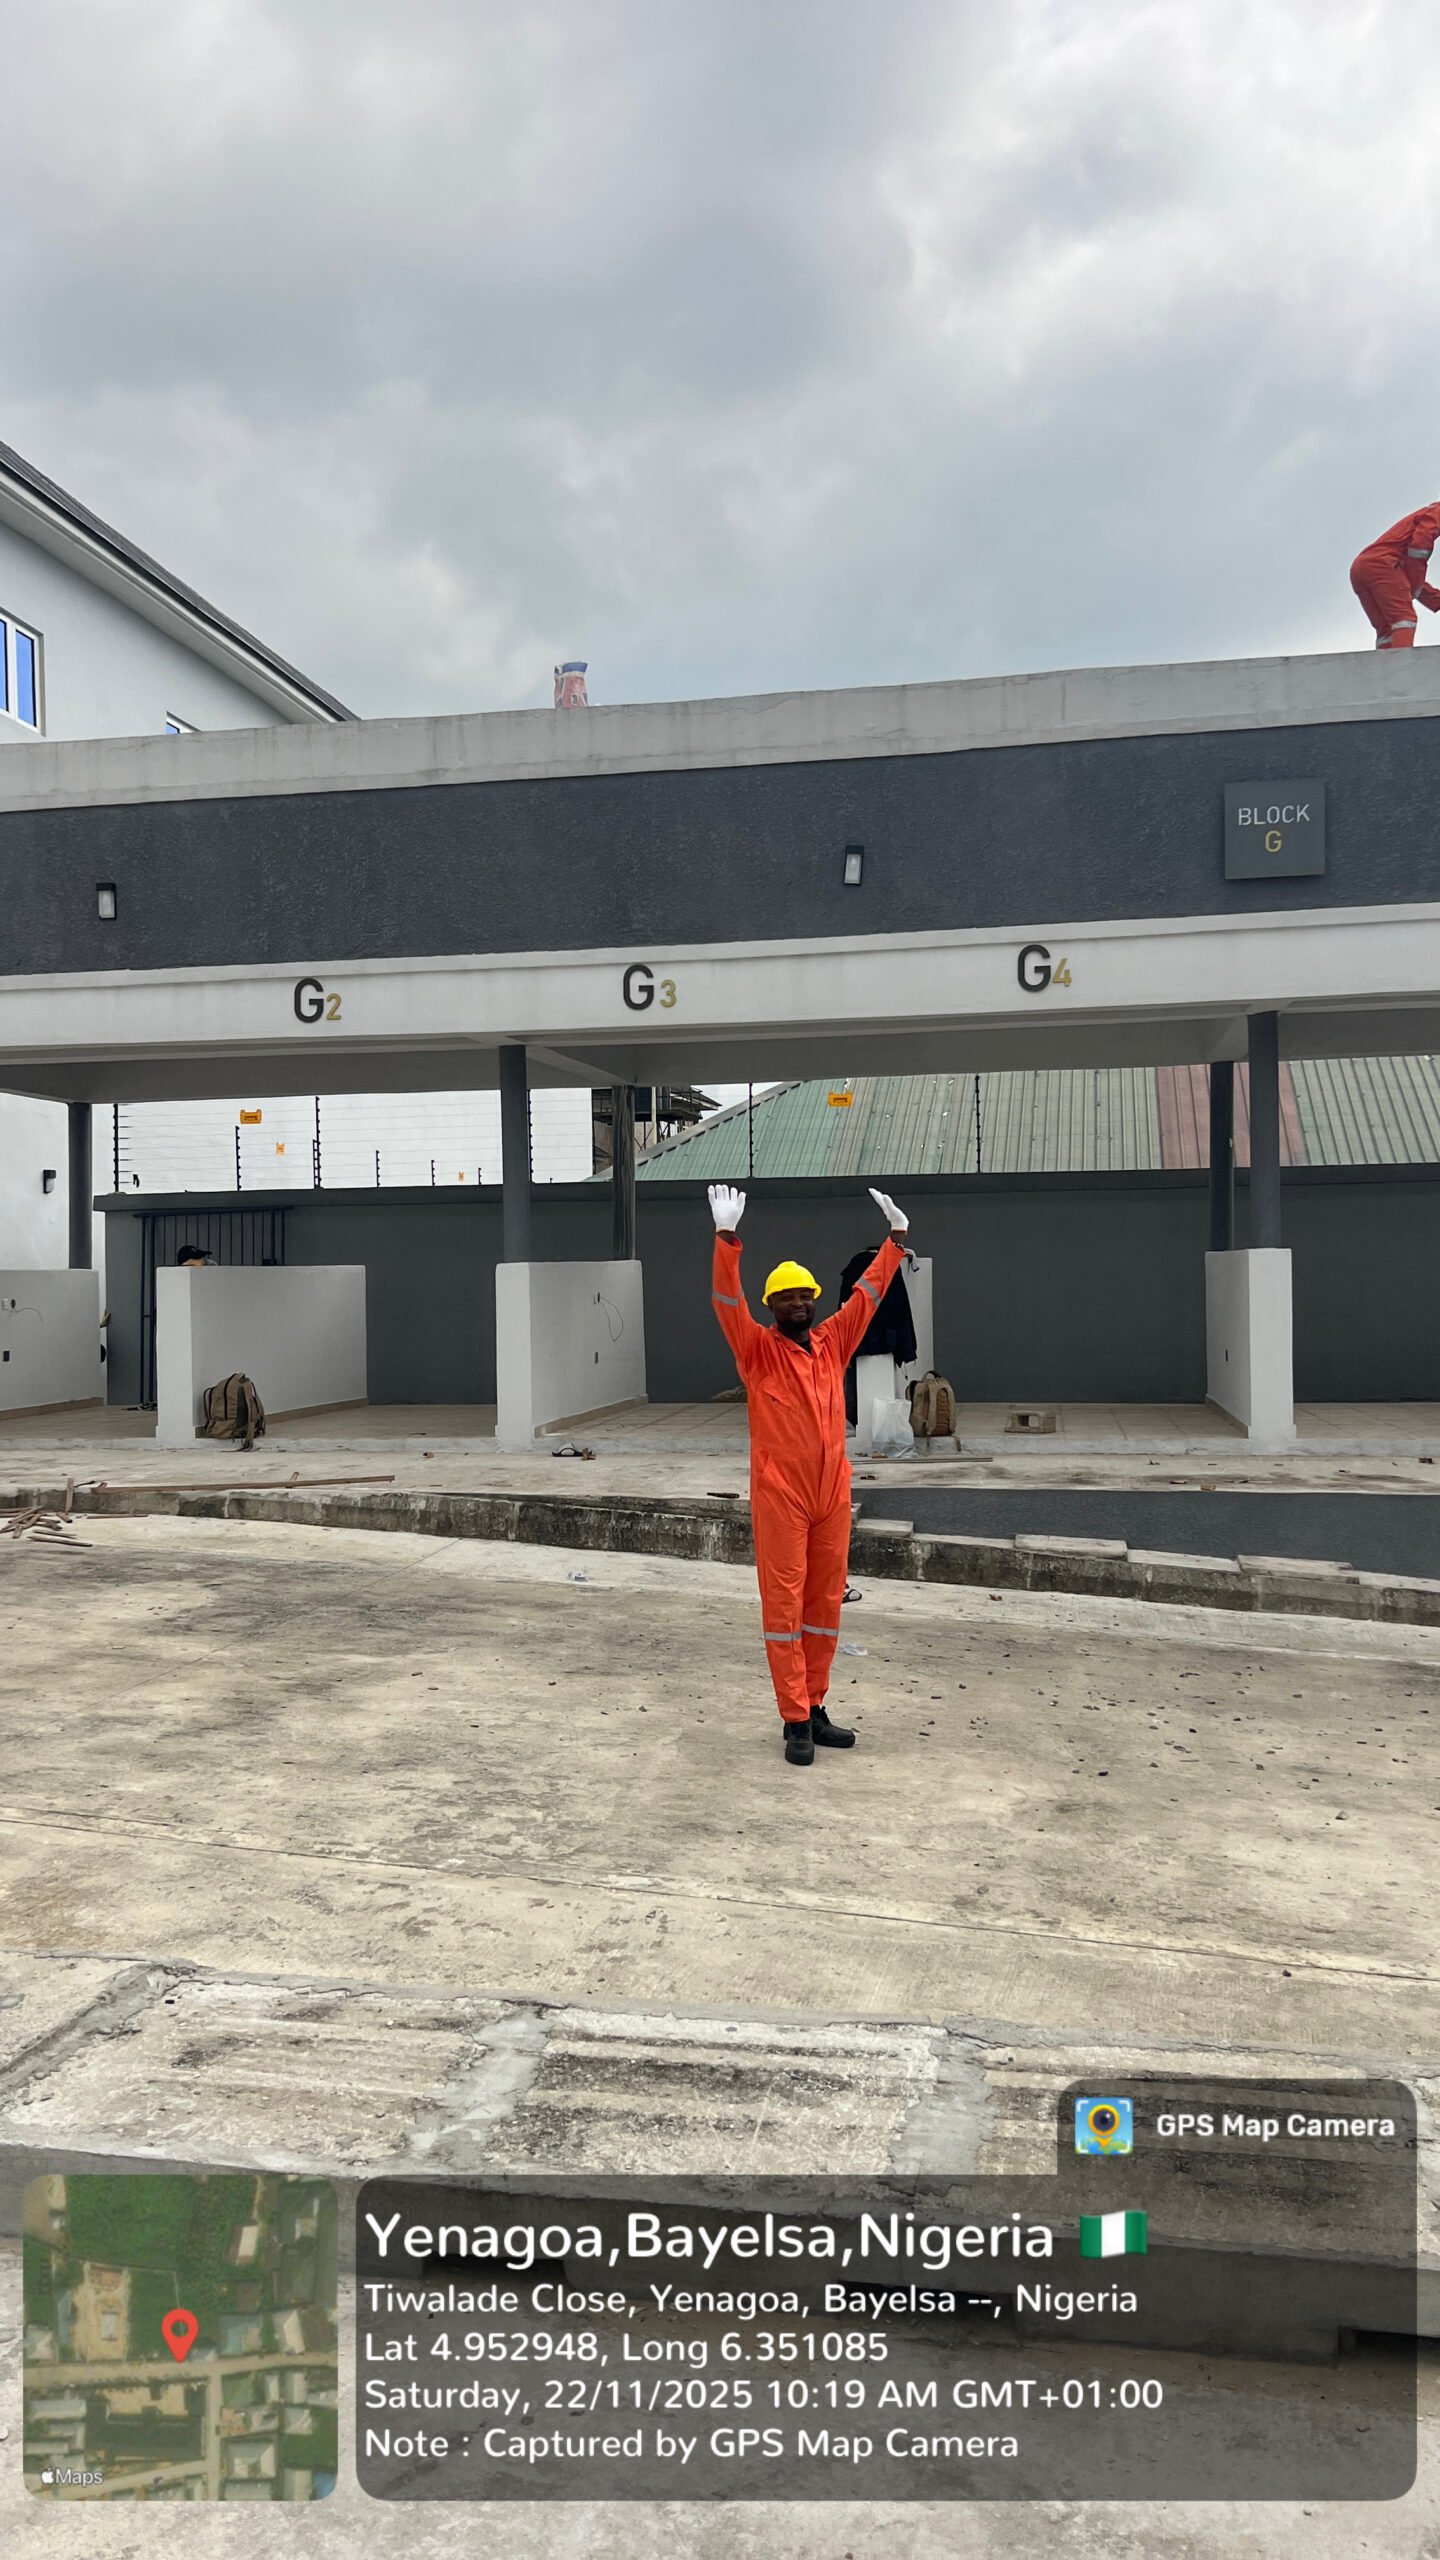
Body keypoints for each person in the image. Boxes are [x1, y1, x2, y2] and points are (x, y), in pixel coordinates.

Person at [709, 1181, 910, 1766]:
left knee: (824, 1605)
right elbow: (727, 1302)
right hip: (782, 1496)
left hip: (831, 1493)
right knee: (784, 1607)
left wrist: (896, 1240)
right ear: (772, 1306)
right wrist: (726, 1239)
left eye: (805, 1295)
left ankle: (816, 1705)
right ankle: (793, 1716)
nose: (798, 1304)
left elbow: (867, 1296)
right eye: (786, 1297)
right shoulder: (756, 1352)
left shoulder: (832, 1343)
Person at [1350, 504, 1440, 650]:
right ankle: (1401, 663)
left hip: (1361, 567)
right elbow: (1420, 546)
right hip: (1382, 565)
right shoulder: (1437, 512)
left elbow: (1404, 577)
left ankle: (1386, 662)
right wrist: (1415, 586)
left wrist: (1434, 599)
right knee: (1404, 619)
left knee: (1386, 628)